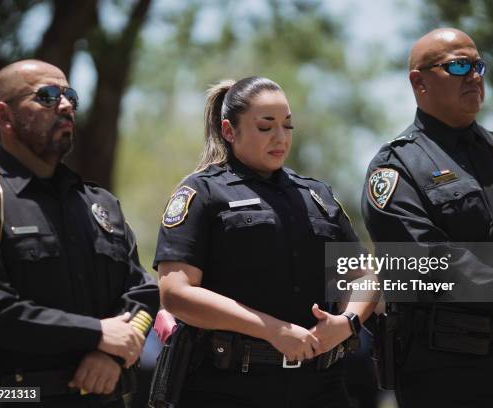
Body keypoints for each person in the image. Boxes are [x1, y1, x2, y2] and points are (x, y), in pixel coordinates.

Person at [361, 28, 493, 407]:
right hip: (448, 377)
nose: (474, 75)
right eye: (458, 66)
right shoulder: (397, 167)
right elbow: (425, 258)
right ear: (419, 82)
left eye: (478, 65)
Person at [154, 76, 377, 408]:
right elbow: (176, 293)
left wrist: (346, 323)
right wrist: (273, 330)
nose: (280, 137)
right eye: (265, 127)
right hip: (226, 388)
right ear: (229, 131)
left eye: (288, 126)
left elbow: (363, 276)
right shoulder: (202, 192)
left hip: (320, 388)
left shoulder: (317, 195)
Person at [0, 59, 159, 407]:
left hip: (103, 397)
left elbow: (142, 292)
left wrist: (110, 354)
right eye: (48, 96)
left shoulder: (101, 204)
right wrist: (97, 334)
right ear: (5, 116)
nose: (66, 105)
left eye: (70, 95)